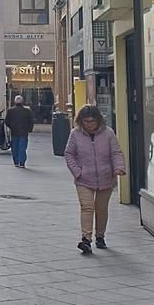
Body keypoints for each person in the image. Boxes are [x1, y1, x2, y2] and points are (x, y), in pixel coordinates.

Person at [64, 104, 126, 254]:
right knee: (87, 207)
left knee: (101, 209)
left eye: (92, 121)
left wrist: (119, 167)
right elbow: (69, 154)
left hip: (106, 177)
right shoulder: (75, 134)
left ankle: (100, 236)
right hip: (84, 179)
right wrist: (78, 172)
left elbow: (116, 152)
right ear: (81, 121)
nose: (89, 125)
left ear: (98, 120)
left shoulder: (108, 133)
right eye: (86, 121)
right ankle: (86, 239)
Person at [6, 95, 35, 168]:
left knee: (15, 148)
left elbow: (6, 121)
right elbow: (31, 121)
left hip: (14, 132)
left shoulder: (10, 111)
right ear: (23, 102)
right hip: (24, 132)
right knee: (22, 148)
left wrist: (11, 127)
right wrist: (29, 129)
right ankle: (22, 162)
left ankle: (16, 162)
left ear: (14, 101)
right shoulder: (27, 111)